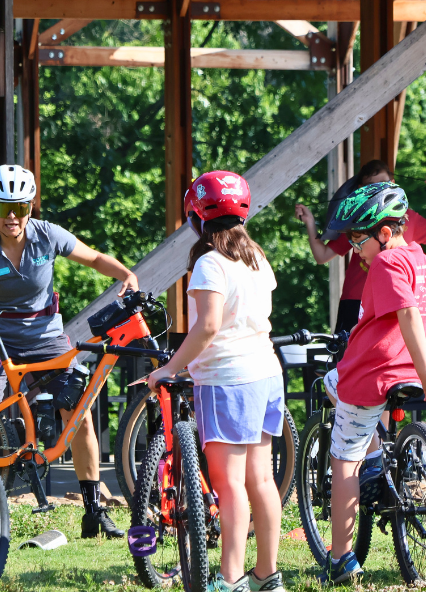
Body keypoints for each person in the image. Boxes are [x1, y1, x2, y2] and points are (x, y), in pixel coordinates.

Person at [0, 164, 139, 538]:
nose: (12, 217)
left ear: (31, 207)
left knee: (79, 411)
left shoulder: (48, 235)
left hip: (47, 337)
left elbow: (93, 258)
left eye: (20, 208)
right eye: (2, 208)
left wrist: (125, 274)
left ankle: (94, 509)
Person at [146, 170, 286, 592]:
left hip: (228, 381)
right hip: (267, 375)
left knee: (229, 486)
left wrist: (170, 368)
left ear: (197, 216)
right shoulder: (256, 257)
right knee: (261, 480)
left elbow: (207, 327)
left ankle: (230, 579)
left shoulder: (210, 262)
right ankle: (267, 575)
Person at [319, 182, 426, 583]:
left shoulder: (385, 263)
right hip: (409, 368)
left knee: (344, 461)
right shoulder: (421, 258)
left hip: (373, 372)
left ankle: (342, 558)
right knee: (345, 401)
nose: (354, 247)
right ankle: (377, 455)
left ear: (383, 233)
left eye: (357, 238)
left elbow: (408, 314)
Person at [294, 159, 426, 334]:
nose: (379, 189)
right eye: (372, 185)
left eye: (384, 184)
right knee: (346, 357)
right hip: (356, 300)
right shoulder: (358, 221)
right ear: (360, 188)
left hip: (394, 299)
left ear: (392, 184)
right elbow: (322, 255)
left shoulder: (406, 217)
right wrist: (310, 223)